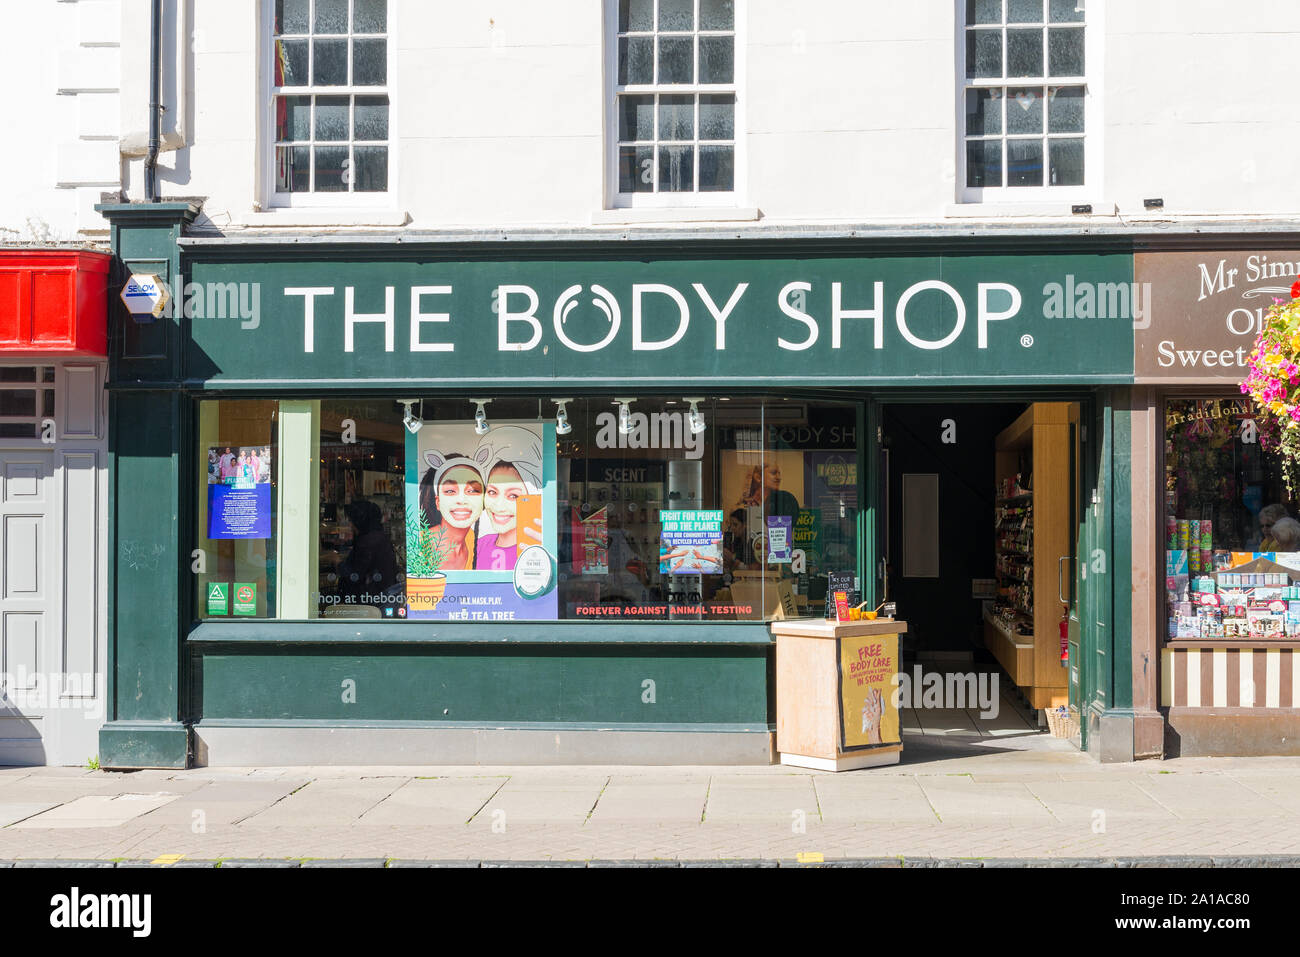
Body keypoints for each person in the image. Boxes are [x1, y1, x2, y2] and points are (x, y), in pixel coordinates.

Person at [473, 427, 545, 571]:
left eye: (513, 496)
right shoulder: (477, 545)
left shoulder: (537, 547)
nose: (499, 506)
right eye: (492, 492)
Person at [419, 449, 489, 571]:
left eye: (472, 490)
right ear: (438, 502)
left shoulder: (473, 540)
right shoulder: (420, 544)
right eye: (450, 491)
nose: (462, 500)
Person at [336, 500, 398, 606]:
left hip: (371, 600)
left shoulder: (367, 542)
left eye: (351, 520)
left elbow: (355, 576)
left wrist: (337, 561)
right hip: (383, 597)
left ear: (359, 521)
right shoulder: (378, 537)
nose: (350, 524)